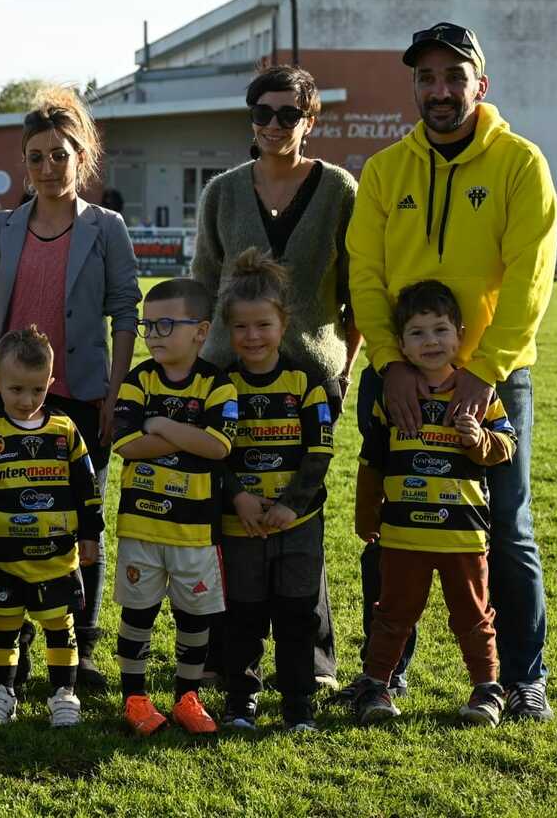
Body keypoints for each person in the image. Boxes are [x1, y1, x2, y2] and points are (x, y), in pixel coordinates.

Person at [344, 22, 557, 722]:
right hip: (397, 374)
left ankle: (523, 679)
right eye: (426, 78)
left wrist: (486, 369)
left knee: (508, 528)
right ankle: (385, 676)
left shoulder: (520, 164)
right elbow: (365, 277)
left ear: (480, 85)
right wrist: (388, 362)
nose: (439, 91)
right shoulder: (384, 171)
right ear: (415, 87)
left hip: (491, 381)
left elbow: (531, 278)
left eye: (453, 78)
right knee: (387, 521)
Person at [0, 87, 139, 692]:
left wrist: (114, 394)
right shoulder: (0, 227)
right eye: (35, 156)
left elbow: (125, 314)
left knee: (80, 521)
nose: (46, 168)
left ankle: (80, 648)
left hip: (83, 398)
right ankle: (14, 650)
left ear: (81, 155)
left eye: (58, 155)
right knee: (14, 516)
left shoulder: (107, 228)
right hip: (9, 395)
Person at [193, 65, 358, 689]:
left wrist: (341, 361)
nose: (273, 125)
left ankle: (311, 663)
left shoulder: (340, 189)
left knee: (301, 512)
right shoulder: (224, 191)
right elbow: (205, 282)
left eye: (289, 114)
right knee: (225, 514)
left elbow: (354, 291)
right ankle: (223, 659)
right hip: (228, 375)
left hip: (310, 378)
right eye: (262, 113)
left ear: (309, 121)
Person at [351, 281, 515, 727]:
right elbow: (373, 461)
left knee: (473, 614)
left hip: (463, 532)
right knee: (392, 614)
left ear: (460, 335)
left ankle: (486, 690)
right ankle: (375, 686)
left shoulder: (476, 394)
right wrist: (367, 514)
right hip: (404, 533)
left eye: (440, 330)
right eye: (417, 333)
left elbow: (506, 446)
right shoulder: (396, 397)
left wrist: (479, 441)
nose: (430, 342)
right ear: (400, 342)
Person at [0, 326, 102, 730]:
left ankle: (64, 694)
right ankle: (0, 692)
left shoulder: (65, 433)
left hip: (57, 558)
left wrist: (90, 533)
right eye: (15, 390)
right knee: (3, 627)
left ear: (50, 383)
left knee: (61, 628)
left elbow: (88, 489)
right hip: (3, 559)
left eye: (36, 391)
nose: (26, 401)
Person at [109, 278, 239, 736]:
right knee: (137, 614)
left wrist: (160, 423)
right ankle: (135, 698)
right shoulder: (137, 379)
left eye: (167, 324)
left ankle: (188, 697)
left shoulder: (217, 384)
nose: (155, 335)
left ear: (201, 331)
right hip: (141, 527)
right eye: (149, 326)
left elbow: (218, 446)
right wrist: (188, 438)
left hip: (195, 531)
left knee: (194, 617)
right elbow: (126, 443)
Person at [217, 250, 334, 733]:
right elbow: (213, 453)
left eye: (263, 325)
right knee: (242, 615)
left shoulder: (308, 383)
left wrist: (291, 504)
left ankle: (298, 706)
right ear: (229, 330)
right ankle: (241, 700)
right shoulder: (220, 385)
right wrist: (238, 496)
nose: (252, 337)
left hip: (296, 526)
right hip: (239, 523)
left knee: (296, 615)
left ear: (283, 324)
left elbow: (319, 453)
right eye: (241, 328)